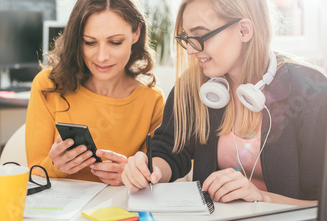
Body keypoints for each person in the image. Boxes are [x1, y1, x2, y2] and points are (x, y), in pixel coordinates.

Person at [122, 0, 327, 206]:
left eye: (200, 35)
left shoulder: (310, 90)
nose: (190, 50)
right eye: (187, 37)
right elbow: (170, 150)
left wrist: (262, 197)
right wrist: (150, 169)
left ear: (244, 30)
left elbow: (320, 202)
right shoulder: (194, 85)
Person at [25, 0, 165, 186]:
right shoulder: (47, 85)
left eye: (115, 42)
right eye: (89, 42)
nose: (101, 57)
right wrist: (56, 166)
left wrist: (131, 175)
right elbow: (35, 170)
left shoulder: (152, 100)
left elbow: (154, 173)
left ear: (136, 33)